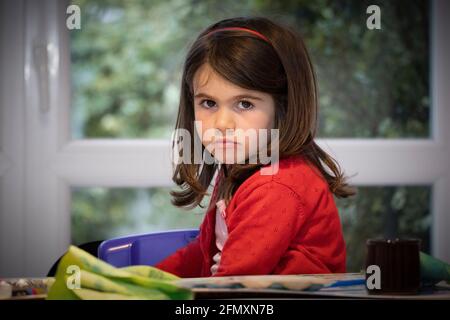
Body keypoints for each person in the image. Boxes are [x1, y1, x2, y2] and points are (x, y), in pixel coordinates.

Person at [156, 16, 355, 278]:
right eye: (209, 103)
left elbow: (233, 283)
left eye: (245, 104)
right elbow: (202, 255)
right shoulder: (240, 167)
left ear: (282, 108)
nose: (223, 124)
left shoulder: (276, 185)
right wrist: (136, 282)